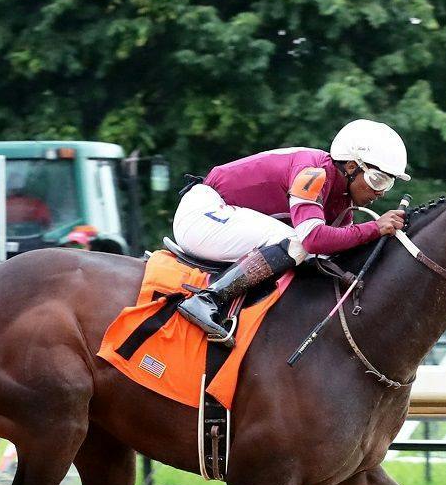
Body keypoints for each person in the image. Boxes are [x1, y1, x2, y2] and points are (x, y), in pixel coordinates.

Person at [173, 119, 410, 343]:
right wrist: (374, 227)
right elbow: (313, 239)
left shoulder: (342, 202)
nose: (381, 193)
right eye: (377, 180)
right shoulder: (313, 172)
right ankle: (207, 300)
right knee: (296, 242)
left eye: (389, 184)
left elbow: (334, 252)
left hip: (223, 219)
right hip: (203, 214)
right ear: (350, 167)